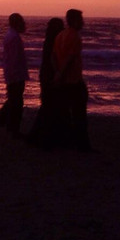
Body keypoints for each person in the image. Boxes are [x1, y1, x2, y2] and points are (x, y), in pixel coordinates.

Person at [52, 8, 91, 151]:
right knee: (79, 113)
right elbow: (70, 58)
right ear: (75, 21)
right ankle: (82, 144)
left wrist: (57, 73)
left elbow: (53, 56)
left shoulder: (60, 35)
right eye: (81, 20)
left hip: (64, 81)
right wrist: (61, 74)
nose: (83, 23)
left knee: (65, 112)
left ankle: (66, 141)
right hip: (73, 80)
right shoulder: (74, 36)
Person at [26, 17, 65, 148]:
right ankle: (41, 137)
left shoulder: (48, 40)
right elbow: (54, 60)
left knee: (47, 105)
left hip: (45, 75)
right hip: (50, 76)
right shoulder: (54, 41)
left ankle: (37, 136)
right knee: (49, 106)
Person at [0, 13, 28, 136]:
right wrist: (14, 75)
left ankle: (0, 122)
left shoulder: (11, 35)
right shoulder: (14, 37)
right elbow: (14, 59)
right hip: (15, 75)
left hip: (13, 74)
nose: (24, 24)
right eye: (22, 22)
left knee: (13, 101)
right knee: (16, 102)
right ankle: (9, 127)